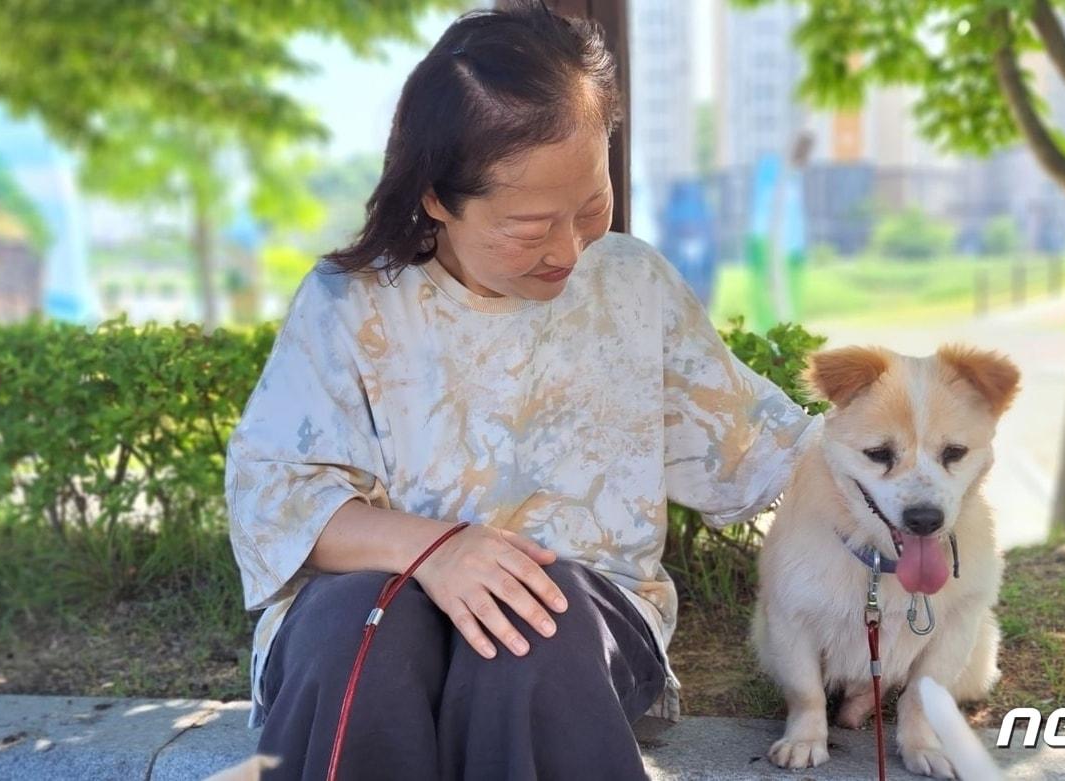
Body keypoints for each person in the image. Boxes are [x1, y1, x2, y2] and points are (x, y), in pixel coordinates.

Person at [224, 4, 822, 779]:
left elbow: (770, 451)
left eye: (591, 207)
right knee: (361, 629)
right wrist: (438, 551)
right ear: (437, 197)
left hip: (578, 626)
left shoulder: (631, 286)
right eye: (531, 225)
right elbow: (276, 498)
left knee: (536, 634)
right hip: (369, 610)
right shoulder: (351, 303)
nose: (570, 249)